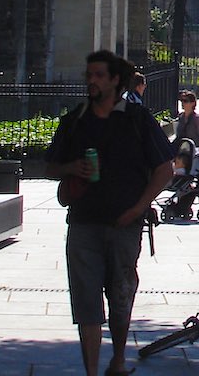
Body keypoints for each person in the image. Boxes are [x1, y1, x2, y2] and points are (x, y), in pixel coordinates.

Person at [44, 50, 175, 376]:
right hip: (84, 222)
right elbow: (49, 165)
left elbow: (164, 168)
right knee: (87, 302)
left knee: (120, 297)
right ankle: (91, 370)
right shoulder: (75, 120)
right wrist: (72, 167)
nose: (91, 81)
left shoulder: (137, 119)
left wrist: (139, 207)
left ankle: (117, 359)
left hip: (124, 224)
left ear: (115, 81)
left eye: (99, 75)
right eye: (89, 75)